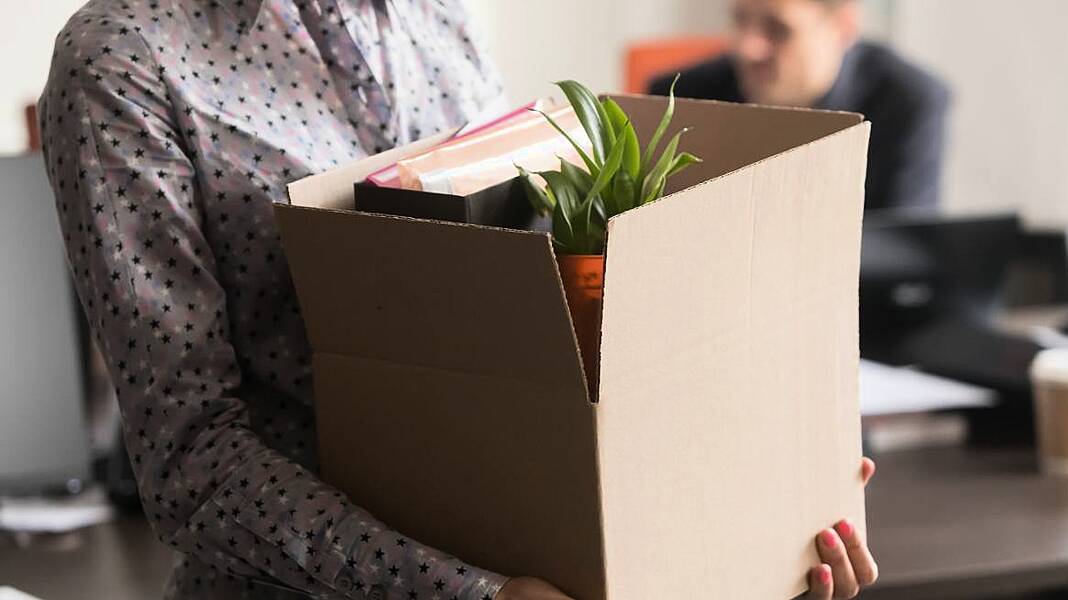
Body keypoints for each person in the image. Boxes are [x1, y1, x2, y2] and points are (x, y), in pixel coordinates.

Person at [38, 1, 877, 598]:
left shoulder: (440, 21)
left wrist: (756, 519)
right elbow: (191, 465)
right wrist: (477, 595)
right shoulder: (124, 55)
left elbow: (527, 343)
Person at [651, 0, 950, 212]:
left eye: (779, 30)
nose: (747, 48)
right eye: (740, 20)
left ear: (844, 27)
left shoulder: (909, 101)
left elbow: (903, 257)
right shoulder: (681, 96)